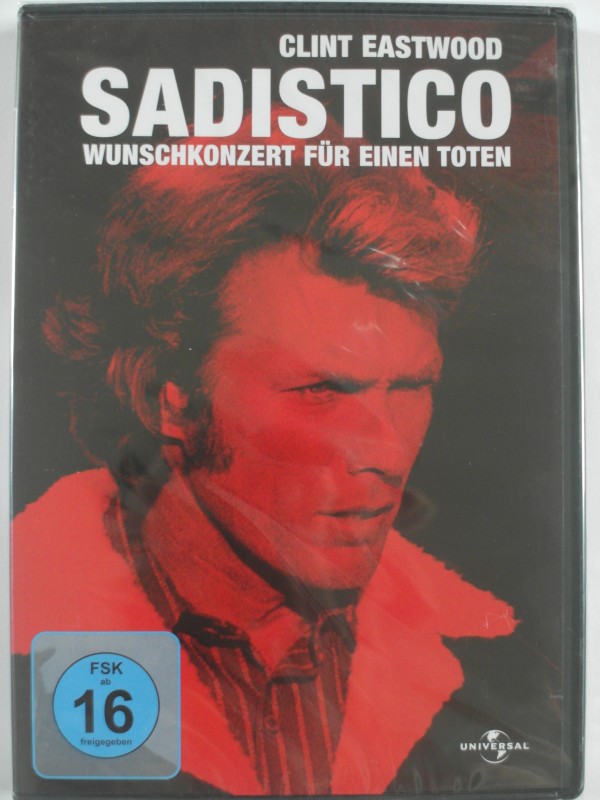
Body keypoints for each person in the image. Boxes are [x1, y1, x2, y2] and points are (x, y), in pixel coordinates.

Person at [12, 113, 516, 795]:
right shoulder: (23, 647)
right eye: (320, 391)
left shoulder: (506, 679)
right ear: (171, 399)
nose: (389, 451)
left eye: (411, 387)